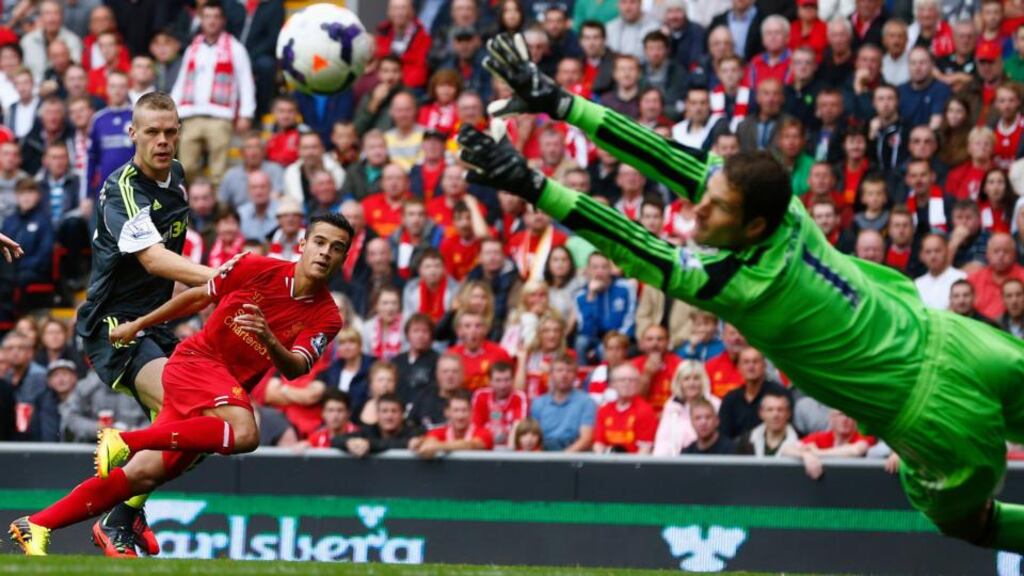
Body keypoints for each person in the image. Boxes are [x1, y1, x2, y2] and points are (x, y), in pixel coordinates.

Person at [467, 33, 1024, 552]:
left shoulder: (740, 286)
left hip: (928, 412)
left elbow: (635, 244)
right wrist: (562, 103)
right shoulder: (786, 208)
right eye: (706, 195)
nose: (698, 208)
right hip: (962, 343)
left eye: (716, 208)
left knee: (967, 522)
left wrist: (532, 185)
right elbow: (667, 158)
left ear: (753, 225)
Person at [9, 214, 352, 556]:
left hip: (222, 391)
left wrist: (269, 339)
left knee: (142, 475)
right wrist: (139, 324)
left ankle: (37, 525)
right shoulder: (255, 266)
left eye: (336, 248)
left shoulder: (327, 317)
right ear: (303, 244)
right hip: (196, 362)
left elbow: (295, 368)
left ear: (344, 257)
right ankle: (125, 440)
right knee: (246, 433)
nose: (325, 252)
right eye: (320, 242)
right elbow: (199, 297)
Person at [62, 92, 244, 556]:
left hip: (156, 325)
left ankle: (125, 515)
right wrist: (222, 277)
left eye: (170, 131)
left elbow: (171, 269)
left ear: (179, 133)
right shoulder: (121, 190)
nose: (162, 141)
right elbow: (155, 259)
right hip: (114, 326)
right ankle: (112, 519)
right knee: (193, 416)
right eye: (152, 132)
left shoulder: (177, 177)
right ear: (133, 134)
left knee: (200, 437)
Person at [170, 0, 256, 187]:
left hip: (220, 117)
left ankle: (217, 205)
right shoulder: (193, 48)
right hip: (191, 115)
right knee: (187, 168)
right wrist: (171, 110)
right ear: (201, 20)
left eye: (216, 17)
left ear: (223, 20)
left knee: (219, 171)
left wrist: (246, 114)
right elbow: (182, 81)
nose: (211, 21)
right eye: (207, 17)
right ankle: (193, 203)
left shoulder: (235, 48)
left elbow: (246, 82)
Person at [717, 347, 791, 440]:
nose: (751, 366)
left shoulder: (779, 394)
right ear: (739, 368)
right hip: (736, 448)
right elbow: (724, 434)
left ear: (764, 366)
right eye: (746, 362)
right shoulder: (730, 399)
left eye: (755, 361)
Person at [653, 360, 721, 455]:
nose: (691, 383)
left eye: (696, 378)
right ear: (679, 382)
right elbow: (663, 441)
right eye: (686, 379)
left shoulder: (715, 404)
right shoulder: (672, 405)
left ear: (703, 381)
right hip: (676, 460)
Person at [529, 353, 595, 452]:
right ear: (551, 374)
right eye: (559, 370)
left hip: (574, 454)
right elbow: (533, 437)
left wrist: (562, 458)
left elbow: (586, 439)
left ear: (575, 376)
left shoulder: (586, 402)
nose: (564, 375)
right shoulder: (538, 403)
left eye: (569, 371)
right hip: (545, 452)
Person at [781, 409, 874, 479]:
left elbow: (857, 450)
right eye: (840, 414)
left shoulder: (864, 435)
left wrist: (817, 453)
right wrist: (805, 455)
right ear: (831, 418)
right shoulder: (821, 437)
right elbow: (786, 449)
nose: (845, 419)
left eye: (849, 415)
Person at [593, 363, 656, 454]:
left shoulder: (645, 410)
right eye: (622, 380)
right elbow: (599, 443)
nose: (627, 383)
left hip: (634, 461)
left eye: (632, 380)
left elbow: (645, 448)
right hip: (607, 460)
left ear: (638, 384)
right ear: (612, 384)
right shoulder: (604, 410)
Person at [410, 390, 493, 458]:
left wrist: (438, 446)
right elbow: (430, 441)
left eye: (464, 410)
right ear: (447, 412)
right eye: (456, 410)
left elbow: (472, 445)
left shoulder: (484, 433)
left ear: (472, 412)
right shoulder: (439, 432)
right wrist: (419, 443)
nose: (460, 416)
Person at [331, 393, 418, 456]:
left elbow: (408, 442)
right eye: (384, 411)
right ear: (377, 414)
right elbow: (336, 440)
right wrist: (349, 443)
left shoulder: (413, 432)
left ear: (402, 414)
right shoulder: (369, 431)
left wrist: (369, 445)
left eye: (394, 411)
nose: (389, 416)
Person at [471, 361, 528, 449]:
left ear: (513, 380)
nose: (503, 385)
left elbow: (519, 428)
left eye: (507, 380)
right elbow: (475, 426)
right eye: (498, 380)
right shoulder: (480, 395)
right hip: (484, 448)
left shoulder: (519, 397)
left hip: (511, 449)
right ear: (489, 381)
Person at [967, 233, 1024, 320]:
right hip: (980, 326)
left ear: (1014, 254)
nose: (1001, 256)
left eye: (1006, 251)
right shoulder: (974, 279)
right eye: (996, 251)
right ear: (987, 254)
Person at [736, 391, 800, 456]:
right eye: (770, 410)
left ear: (788, 413)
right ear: (761, 413)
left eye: (780, 410)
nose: (775, 415)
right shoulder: (745, 442)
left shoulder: (801, 440)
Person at [915, 234, 968, 310]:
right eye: (928, 252)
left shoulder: (961, 278)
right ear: (921, 256)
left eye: (937, 251)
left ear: (947, 251)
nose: (933, 256)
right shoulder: (917, 284)